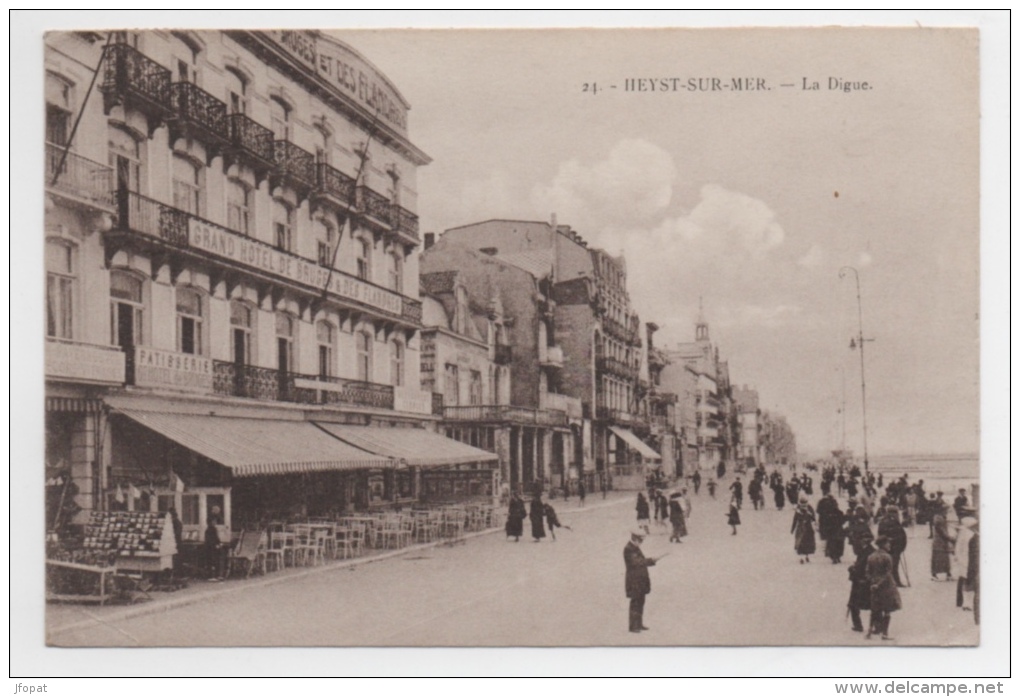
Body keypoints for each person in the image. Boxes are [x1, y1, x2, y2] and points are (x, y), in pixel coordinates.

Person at [866, 536, 902, 640]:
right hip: (886, 587)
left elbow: (867, 572)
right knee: (887, 610)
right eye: (887, 543)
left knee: (874, 609)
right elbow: (888, 573)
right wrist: (879, 583)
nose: (889, 545)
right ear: (883, 545)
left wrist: (873, 583)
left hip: (874, 587)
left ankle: (869, 631)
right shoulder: (887, 557)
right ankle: (885, 634)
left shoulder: (871, 556)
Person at [624, 529, 659, 632]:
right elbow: (637, 562)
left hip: (639, 580)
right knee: (635, 603)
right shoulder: (629, 549)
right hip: (634, 581)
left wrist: (651, 560)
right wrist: (651, 560)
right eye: (640, 541)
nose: (641, 543)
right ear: (635, 539)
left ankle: (639, 624)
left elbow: (640, 561)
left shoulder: (634, 547)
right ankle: (633, 626)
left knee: (640, 602)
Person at [847, 531, 875, 632]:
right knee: (871, 604)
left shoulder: (867, 552)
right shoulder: (867, 551)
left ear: (864, 541)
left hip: (862, 582)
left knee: (854, 604)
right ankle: (876, 626)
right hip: (863, 581)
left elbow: (862, 567)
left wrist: (852, 569)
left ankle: (858, 626)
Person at [877, 506, 908, 587]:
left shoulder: (888, 521)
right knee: (892, 566)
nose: (897, 514)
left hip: (894, 548)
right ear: (892, 513)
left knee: (893, 565)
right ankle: (893, 582)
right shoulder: (888, 522)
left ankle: (894, 582)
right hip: (892, 548)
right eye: (895, 513)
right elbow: (883, 535)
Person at [953, 516, 977, 610]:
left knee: (964, 581)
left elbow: (958, 547)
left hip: (964, 560)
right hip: (967, 560)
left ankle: (963, 602)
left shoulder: (963, 533)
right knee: (968, 582)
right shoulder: (969, 534)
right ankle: (966, 603)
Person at [930, 505, 954, 581]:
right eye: (945, 510)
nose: (946, 512)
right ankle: (936, 574)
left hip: (941, 542)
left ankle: (947, 574)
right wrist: (950, 538)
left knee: (943, 558)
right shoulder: (938, 519)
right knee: (940, 558)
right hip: (940, 542)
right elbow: (942, 532)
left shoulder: (940, 518)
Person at [791, 496, 817, 564]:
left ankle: (807, 556)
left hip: (808, 528)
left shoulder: (809, 508)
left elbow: (813, 518)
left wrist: (809, 515)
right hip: (801, 528)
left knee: (807, 543)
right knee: (800, 543)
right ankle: (801, 558)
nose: (803, 506)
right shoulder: (798, 510)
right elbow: (795, 519)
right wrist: (792, 529)